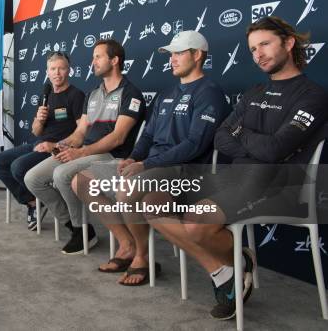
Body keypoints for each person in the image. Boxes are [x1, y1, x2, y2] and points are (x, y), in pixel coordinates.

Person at [147, 16, 328, 320]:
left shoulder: (313, 96)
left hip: (281, 186)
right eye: (253, 49)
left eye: (265, 44)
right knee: (152, 202)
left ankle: (233, 269)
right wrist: (254, 140)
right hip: (234, 180)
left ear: (289, 42)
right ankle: (226, 269)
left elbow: (274, 150)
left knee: (195, 221)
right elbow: (220, 138)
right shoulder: (255, 92)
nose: (258, 54)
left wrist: (241, 134)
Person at [73, 31, 232, 285]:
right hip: (150, 166)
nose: (173, 59)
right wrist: (133, 157)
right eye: (171, 54)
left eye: (179, 53)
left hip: (184, 170)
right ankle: (127, 245)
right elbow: (147, 136)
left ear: (198, 55)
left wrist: (144, 164)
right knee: (82, 181)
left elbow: (194, 145)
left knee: (127, 191)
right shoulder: (166, 93)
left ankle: (142, 258)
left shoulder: (209, 92)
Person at [24, 39, 145, 255]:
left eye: (98, 57)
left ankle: (81, 232)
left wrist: (81, 152)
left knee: (61, 174)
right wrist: (60, 146)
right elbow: (81, 133)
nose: (93, 62)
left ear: (114, 60)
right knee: (32, 178)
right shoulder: (92, 94)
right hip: (86, 151)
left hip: (110, 155)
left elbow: (118, 138)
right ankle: (74, 225)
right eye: (93, 57)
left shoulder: (130, 94)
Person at [0, 52, 85, 230]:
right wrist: (39, 119)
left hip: (59, 149)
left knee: (17, 167)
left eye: (61, 68)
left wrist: (55, 145)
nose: (57, 73)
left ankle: (38, 201)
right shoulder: (46, 93)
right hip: (39, 144)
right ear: (47, 71)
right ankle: (32, 201)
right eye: (53, 69)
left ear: (69, 70)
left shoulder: (76, 95)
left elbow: (81, 134)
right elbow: (36, 131)